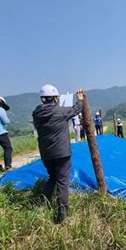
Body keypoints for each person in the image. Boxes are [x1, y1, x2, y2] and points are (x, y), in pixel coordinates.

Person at [32, 84, 85, 223]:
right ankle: (62, 212)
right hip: (62, 153)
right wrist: (80, 99)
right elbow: (76, 109)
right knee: (62, 182)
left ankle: (44, 204)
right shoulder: (60, 112)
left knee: (52, 177)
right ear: (55, 99)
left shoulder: (36, 114)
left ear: (42, 99)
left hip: (46, 154)